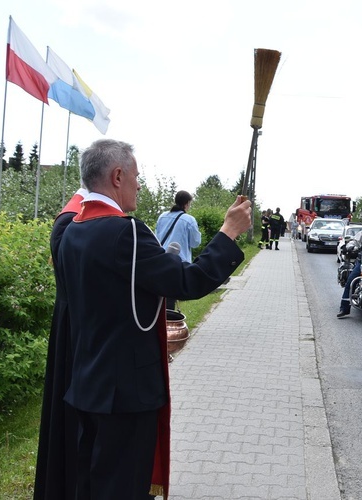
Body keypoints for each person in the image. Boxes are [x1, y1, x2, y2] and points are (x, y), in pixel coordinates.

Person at [54, 139, 252, 499]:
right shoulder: (125, 232)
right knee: (123, 487)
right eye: (136, 176)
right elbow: (189, 281)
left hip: (85, 385)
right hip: (126, 395)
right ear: (117, 176)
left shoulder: (71, 232)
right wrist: (229, 233)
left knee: (91, 484)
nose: (140, 184)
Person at [34, 186, 88, 500]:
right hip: (77, 331)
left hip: (72, 325)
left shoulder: (70, 218)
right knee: (69, 423)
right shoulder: (72, 222)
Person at [155, 190, 202, 309]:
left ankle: (161, 321)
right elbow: (195, 243)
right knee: (171, 297)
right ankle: (169, 323)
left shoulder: (162, 216)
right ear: (186, 204)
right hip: (178, 264)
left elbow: (156, 237)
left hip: (161, 260)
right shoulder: (189, 219)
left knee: (161, 296)